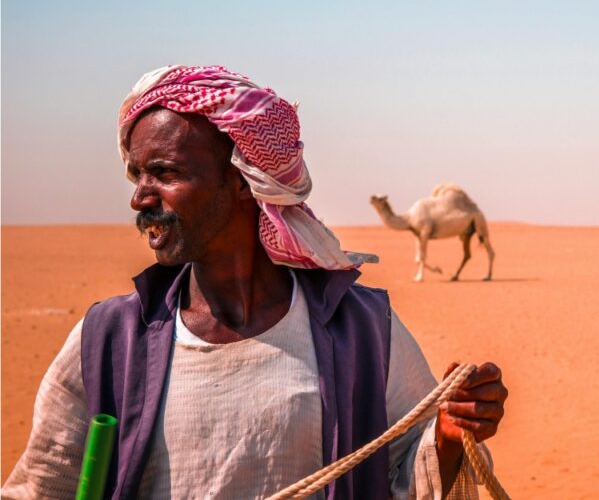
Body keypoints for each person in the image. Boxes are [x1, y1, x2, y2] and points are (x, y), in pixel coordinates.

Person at [3, 65, 506, 499]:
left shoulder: (365, 331)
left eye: (164, 173)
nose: (140, 198)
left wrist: (449, 430)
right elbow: (44, 484)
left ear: (244, 181)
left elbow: (411, 483)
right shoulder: (109, 341)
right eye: (136, 174)